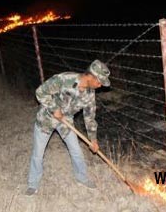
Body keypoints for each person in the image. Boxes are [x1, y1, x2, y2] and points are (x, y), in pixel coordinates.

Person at [25, 59, 111, 196]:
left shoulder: (90, 94)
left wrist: (93, 139)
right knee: (38, 153)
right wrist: (54, 108)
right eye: (99, 81)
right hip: (46, 119)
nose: (100, 85)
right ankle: (33, 184)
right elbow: (40, 92)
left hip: (66, 122)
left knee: (76, 150)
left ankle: (82, 177)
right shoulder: (64, 79)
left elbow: (89, 117)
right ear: (91, 76)